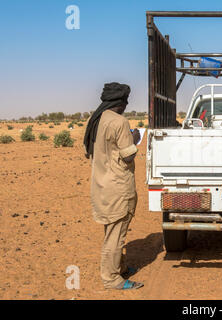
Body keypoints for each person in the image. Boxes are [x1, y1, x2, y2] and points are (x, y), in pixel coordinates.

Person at [83, 82, 143, 290]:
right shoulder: (119, 122)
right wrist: (135, 139)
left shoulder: (96, 120)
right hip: (118, 186)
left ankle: (120, 267)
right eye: (125, 102)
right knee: (116, 235)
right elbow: (128, 156)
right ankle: (112, 278)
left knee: (112, 230)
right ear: (121, 102)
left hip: (101, 185)